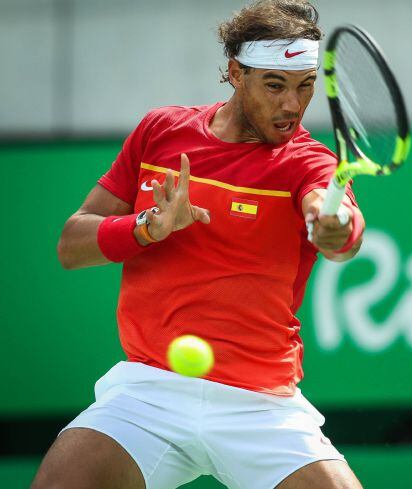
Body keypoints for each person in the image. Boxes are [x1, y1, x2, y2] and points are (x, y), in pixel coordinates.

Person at [31, 1, 364, 488]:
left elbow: (339, 231)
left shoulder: (309, 163)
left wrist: (333, 226)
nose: (292, 105)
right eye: (275, 85)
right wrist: (146, 227)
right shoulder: (160, 132)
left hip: (260, 405)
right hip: (148, 393)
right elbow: (70, 244)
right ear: (235, 73)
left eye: (305, 85)